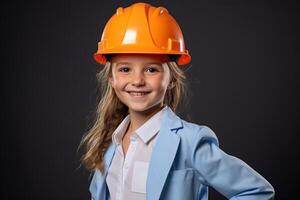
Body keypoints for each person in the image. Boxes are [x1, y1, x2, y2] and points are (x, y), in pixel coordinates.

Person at [80, 2, 275, 200]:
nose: (137, 81)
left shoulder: (190, 142)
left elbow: (256, 191)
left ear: (172, 78)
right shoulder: (109, 143)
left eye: (151, 69)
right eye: (125, 69)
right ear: (111, 78)